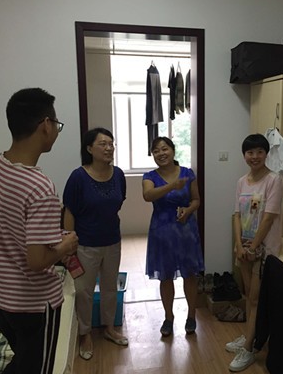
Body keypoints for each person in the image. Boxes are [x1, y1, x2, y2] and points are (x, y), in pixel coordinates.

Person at [0, 88, 79, 374]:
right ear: (45, 125)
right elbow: (36, 260)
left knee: (24, 366)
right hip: (32, 304)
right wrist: (66, 245)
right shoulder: (39, 186)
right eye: (57, 124)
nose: (56, 131)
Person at [63, 127, 128, 361]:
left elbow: (118, 202)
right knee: (84, 291)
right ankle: (85, 333)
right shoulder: (78, 177)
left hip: (112, 241)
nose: (109, 148)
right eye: (103, 144)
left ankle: (109, 327)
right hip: (85, 244)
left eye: (111, 143)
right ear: (90, 148)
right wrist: (69, 243)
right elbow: (69, 211)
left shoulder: (118, 174)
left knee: (110, 288)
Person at [226, 133, 283, 372]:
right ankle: (249, 335)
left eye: (260, 151)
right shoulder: (242, 181)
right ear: (244, 155)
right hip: (244, 249)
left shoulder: (274, 180)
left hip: (263, 250)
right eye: (250, 152)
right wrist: (240, 245)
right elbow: (236, 215)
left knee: (255, 299)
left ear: (266, 154)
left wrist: (252, 247)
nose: (255, 156)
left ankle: (249, 348)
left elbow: (269, 218)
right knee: (249, 295)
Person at [142, 136, 204, 336]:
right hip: (162, 232)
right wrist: (172, 186)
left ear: (173, 150)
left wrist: (188, 210)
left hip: (186, 230)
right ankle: (168, 317)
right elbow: (148, 196)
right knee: (165, 276)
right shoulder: (149, 176)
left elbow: (196, 200)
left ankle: (191, 315)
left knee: (190, 275)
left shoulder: (187, 173)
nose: (161, 153)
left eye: (164, 149)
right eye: (156, 151)